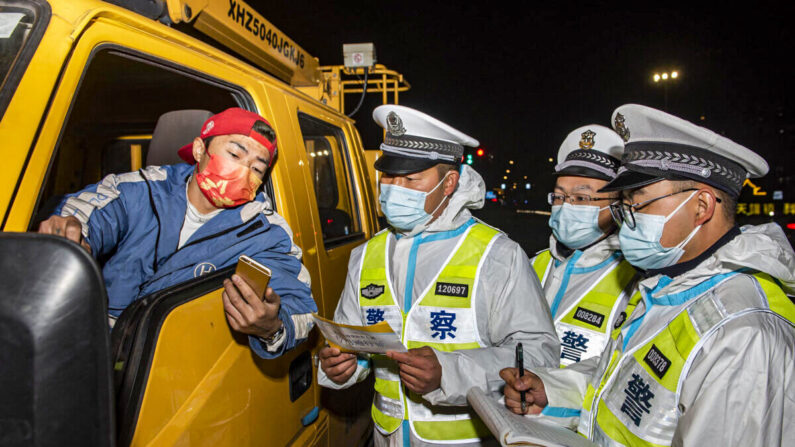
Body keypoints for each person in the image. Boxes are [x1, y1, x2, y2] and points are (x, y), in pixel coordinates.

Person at [501, 104, 794, 446]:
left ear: (701, 207)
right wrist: (553, 390)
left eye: (638, 203)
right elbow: (625, 383)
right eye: (623, 205)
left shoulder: (744, 333)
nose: (626, 220)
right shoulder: (669, 286)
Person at [318, 105, 559, 446]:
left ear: (449, 183)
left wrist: (450, 371)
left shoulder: (496, 255)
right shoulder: (365, 255)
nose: (394, 188)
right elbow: (353, 341)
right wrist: (343, 367)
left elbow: (539, 353)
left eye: (411, 179)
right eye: (388, 176)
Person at [38, 108, 316, 358]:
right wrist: (73, 235)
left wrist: (272, 327)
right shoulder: (144, 189)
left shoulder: (265, 231)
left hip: (173, 370)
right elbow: (93, 211)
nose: (244, 172)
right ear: (199, 150)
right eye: (234, 154)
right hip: (92, 348)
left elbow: (303, 309)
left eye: (257, 168)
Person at [533, 125, 638, 370]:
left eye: (581, 198)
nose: (566, 207)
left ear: (618, 204)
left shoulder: (635, 282)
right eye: (559, 197)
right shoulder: (532, 265)